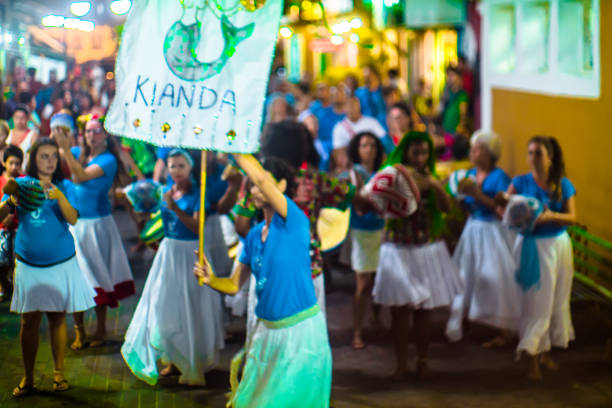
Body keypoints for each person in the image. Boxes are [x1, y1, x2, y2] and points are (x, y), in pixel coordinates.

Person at [194, 155, 332, 408]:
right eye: (253, 186)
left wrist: (233, 146)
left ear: (280, 186)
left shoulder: (295, 220)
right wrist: (212, 279)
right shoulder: (255, 235)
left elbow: (257, 175)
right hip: (266, 334)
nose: (255, 189)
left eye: (261, 184)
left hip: (299, 335)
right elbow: (234, 285)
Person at [0, 138, 95, 397]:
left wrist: (60, 196)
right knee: (28, 320)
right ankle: (29, 378)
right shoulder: (20, 184)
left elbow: (74, 219)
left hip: (60, 261)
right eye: (44, 156)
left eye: (54, 155)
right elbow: (1, 214)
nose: (50, 160)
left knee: (56, 317)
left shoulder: (65, 185)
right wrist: (11, 202)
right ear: (34, 159)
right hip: (28, 262)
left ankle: (58, 374)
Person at [122, 149, 225, 386]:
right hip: (168, 253)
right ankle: (170, 357)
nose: (176, 171)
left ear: (190, 168)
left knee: (190, 305)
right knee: (164, 303)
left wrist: (175, 208)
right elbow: (158, 221)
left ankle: (191, 361)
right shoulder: (166, 192)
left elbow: (197, 228)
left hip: (190, 254)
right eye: (172, 166)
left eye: (181, 166)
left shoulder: (199, 193)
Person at [372, 131, 463, 379]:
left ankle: (422, 361)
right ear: (406, 152)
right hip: (398, 249)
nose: (421, 157)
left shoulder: (432, 177)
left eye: (425, 153)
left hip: (425, 249)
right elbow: (376, 201)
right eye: (416, 152)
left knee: (424, 312)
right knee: (399, 312)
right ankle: (401, 364)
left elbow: (446, 208)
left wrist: (434, 185)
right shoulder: (393, 175)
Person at [53, 116, 135, 349]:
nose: (91, 135)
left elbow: (79, 176)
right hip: (75, 225)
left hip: (98, 226)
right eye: (88, 131)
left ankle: (101, 328)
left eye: (96, 131)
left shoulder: (108, 159)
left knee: (98, 277)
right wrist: (57, 137)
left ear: (105, 135)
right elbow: (51, 157)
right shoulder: (78, 151)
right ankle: (80, 332)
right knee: (75, 279)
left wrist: (66, 150)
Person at [504, 136, 576, 381]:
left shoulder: (562, 184)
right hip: (533, 246)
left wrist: (551, 215)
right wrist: (507, 205)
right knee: (537, 303)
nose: (533, 157)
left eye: (538, 153)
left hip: (559, 244)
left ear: (550, 157)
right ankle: (532, 358)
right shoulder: (520, 182)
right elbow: (503, 205)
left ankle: (545, 354)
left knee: (556, 300)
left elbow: (573, 217)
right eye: (530, 152)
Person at [445, 130, 519, 344]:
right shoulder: (467, 175)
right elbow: (464, 205)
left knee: (497, 277)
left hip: (493, 232)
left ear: (490, 154)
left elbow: (502, 209)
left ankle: (505, 329)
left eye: (478, 149)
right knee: (464, 275)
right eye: (473, 149)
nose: (473, 153)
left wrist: (478, 195)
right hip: (472, 230)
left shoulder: (500, 177)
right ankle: (463, 318)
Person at [346, 132, 385, 349]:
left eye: (372, 145)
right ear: (357, 150)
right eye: (364, 145)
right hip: (362, 231)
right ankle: (357, 331)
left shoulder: (381, 172)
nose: (368, 149)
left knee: (379, 280)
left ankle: (376, 318)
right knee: (362, 282)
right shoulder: (355, 173)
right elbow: (359, 201)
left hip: (380, 229)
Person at [331, 97, 388, 174]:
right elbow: (339, 153)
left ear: (359, 106)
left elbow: (384, 143)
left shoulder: (372, 122)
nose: (352, 108)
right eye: (348, 105)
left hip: (375, 166)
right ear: (344, 108)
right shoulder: (339, 127)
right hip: (353, 167)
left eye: (354, 105)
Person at [0, 145, 23, 302]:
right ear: (4, 163)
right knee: (2, 264)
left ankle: (15, 291)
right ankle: (5, 286)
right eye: (11, 163)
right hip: (2, 229)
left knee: (17, 263)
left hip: (18, 228)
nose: (14, 167)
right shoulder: (1, 181)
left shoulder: (23, 181)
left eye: (17, 163)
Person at [441, 67, 469, 135]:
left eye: (452, 75)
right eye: (448, 75)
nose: (449, 78)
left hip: (455, 132)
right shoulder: (447, 93)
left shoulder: (462, 95)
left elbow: (463, 114)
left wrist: (460, 128)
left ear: (459, 78)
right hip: (445, 130)